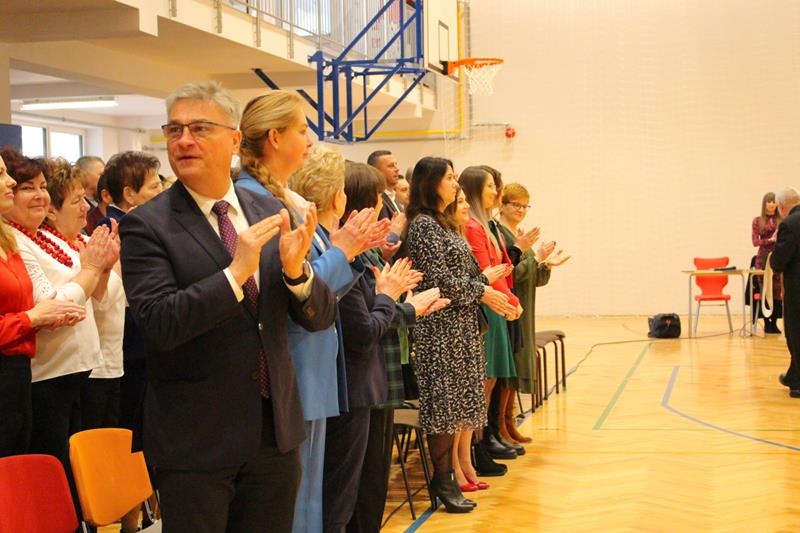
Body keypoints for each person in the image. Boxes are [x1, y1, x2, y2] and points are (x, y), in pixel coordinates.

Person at [119, 80, 336, 532]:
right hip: (196, 441)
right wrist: (234, 274)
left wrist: (296, 273)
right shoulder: (146, 225)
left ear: (235, 140)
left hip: (273, 432)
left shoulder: (267, 207)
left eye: (200, 128)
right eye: (174, 130)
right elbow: (159, 323)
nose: (184, 140)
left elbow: (318, 316)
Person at [403, 156, 515, 513]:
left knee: (458, 407)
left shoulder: (445, 223)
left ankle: (450, 475)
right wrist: (483, 291)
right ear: (431, 183)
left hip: (461, 327)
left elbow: (462, 277)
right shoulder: (423, 225)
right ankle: (442, 479)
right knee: (443, 408)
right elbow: (438, 281)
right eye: (450, 178)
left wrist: (484, 285)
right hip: (439, 329)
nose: (456, 184)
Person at [286, 144, 385, 533]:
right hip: (308, 375)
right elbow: (314, 300)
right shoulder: (311, 238)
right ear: (338, 196)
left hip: (322, 379)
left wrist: (353, 254)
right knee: (311, 501)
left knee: (317, 500)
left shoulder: (324, 239)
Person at [323, 162, 421, 532]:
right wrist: (394, 298)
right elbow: (364, 328)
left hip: (370, 380)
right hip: (356, 383)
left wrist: (392, 292)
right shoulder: (343, 257)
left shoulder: (361, 254)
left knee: (369, 484)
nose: (384, 206)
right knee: (351, 494)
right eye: (379, 198)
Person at [3, 152, 117, 473]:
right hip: (44, 372)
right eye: (28, 188)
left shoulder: (43, 237)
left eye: (43, 187)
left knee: (72, 471)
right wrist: (92, 269)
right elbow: (50, 303)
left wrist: (101, 269)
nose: (39, 195)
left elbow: (96, 298)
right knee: (46, 469)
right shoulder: (17, 240)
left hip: (72, 370)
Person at [0, 151, 86, 458]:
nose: (10, 182)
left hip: (18, 372)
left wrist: (46, 314)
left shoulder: (7, 240)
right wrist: (33, 318)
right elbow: (36, 308)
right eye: (1, 175)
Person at [495, 183, 569, 441]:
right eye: (515, 204)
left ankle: (508, 422)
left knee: (515, 368)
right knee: (508, 369)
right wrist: (535, 257)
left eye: (525, 205)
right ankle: (501, 425)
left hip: (523, 307)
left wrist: (545, 264)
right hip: (509, 309)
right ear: (502, 205)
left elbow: (531, 277)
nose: (521, 209)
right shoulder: (502, 235)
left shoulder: (518, 234)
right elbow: (510, 274)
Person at [770, 187, 800, 399]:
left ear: (781, 207)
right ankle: (793, 375)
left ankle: (797, 382)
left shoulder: (789, 224)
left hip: (797, 287)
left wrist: (774, 255)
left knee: (795, 332)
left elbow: (779, 261)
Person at [752, 192, 783, 333]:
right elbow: (755, 241)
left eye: (774, 202)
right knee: (765, 289)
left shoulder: (782, 220)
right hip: (763, 258)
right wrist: (769, 241)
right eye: (769, 202)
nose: (771, 204)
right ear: (764, 204)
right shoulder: (757, 221)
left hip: (777, 256)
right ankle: (766, 323)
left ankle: (774, 322)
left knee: (777, 291)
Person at [367, 150, 402, 219]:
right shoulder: (376, 200)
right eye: (391, 166)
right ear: (377, 171)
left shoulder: (393, 196)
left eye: (396, 164)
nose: (397, 169)